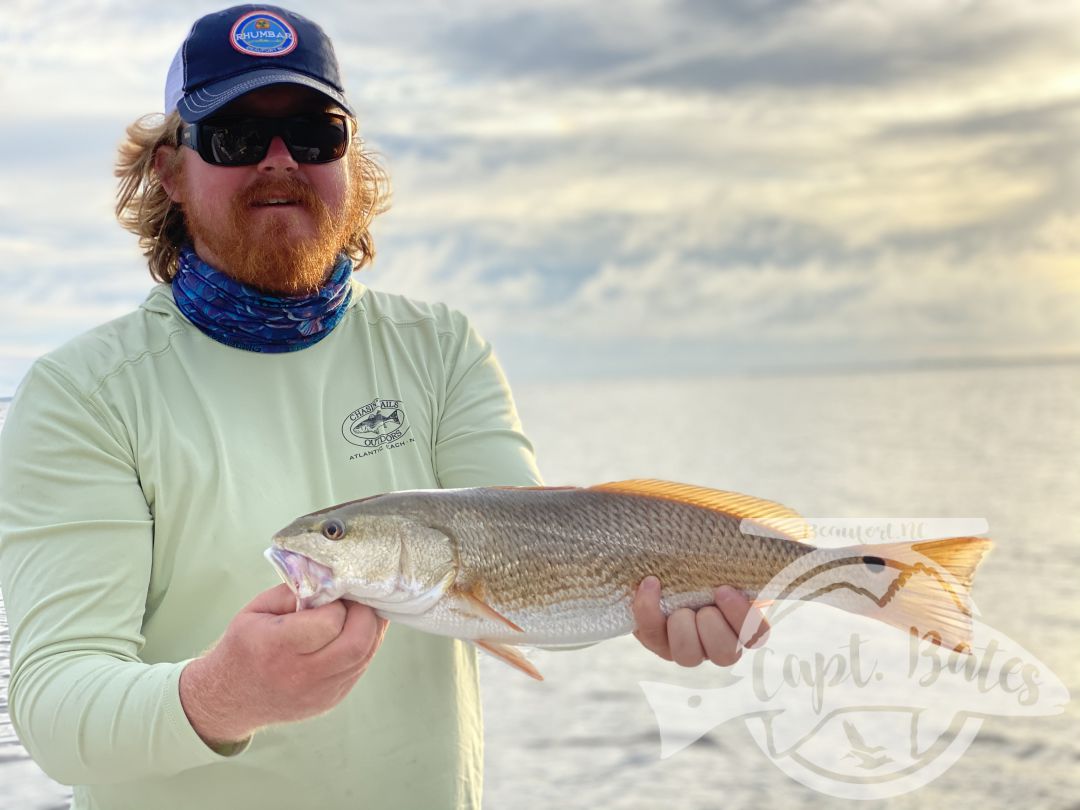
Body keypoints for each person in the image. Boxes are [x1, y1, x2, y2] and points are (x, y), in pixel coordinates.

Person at [0, 6, 763, 808]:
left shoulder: (440, 347)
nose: (279, 161)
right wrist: (222, 695)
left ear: (350, 160)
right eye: (234, 137)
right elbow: (53, 707)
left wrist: (671, 595)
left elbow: (534, 586)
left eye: (315, 132)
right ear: (168, 170)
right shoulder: (82, 393)